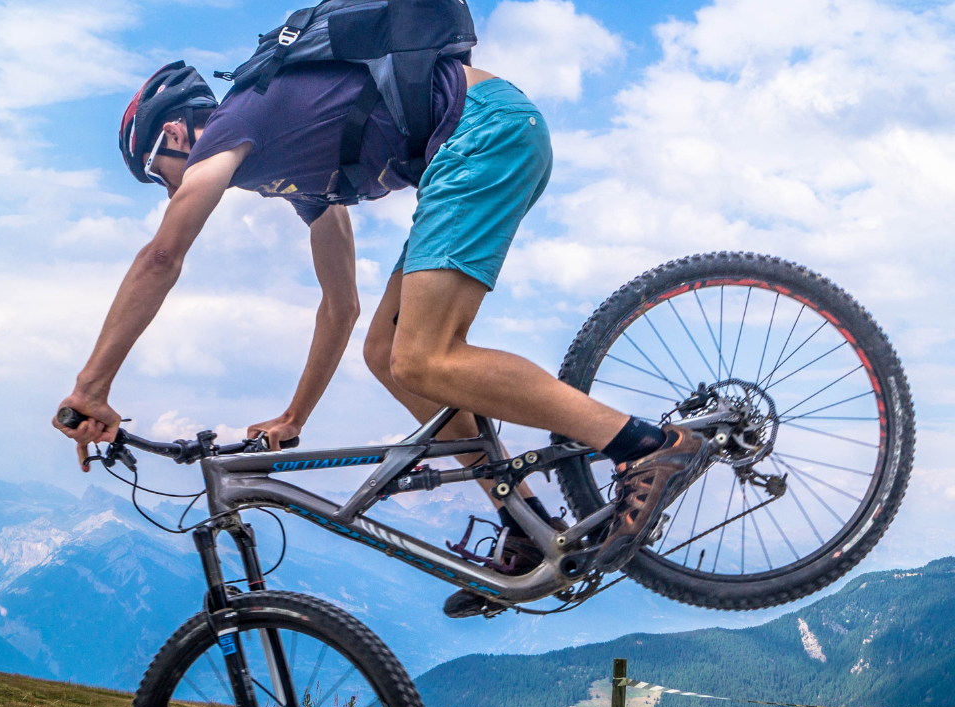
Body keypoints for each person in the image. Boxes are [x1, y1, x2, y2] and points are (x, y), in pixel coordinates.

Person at [55, 55, 707, 618]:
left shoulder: (236, 122)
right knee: (385, 354)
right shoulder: (293, 165)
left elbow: (161, 258)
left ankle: (644, 445)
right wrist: (293, 417)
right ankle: (525, 522)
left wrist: (92, 387)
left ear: (174, 131)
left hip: (483, 130)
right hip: (480, 137)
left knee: (425, 356)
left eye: (156, 170)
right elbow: (340, 307)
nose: (165, 186)